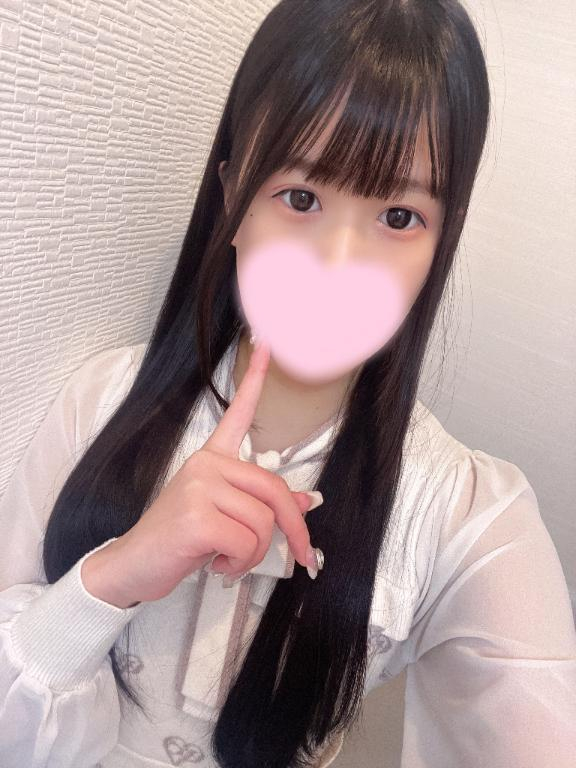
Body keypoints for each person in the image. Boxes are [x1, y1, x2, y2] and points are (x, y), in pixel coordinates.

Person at [1, 1, 575, 767]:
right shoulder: (101, 402)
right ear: (234, 197)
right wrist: (113, 576)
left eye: (399, 216)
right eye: (301, 198)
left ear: (443, 238)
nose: (339, 263)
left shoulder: (467, 515)